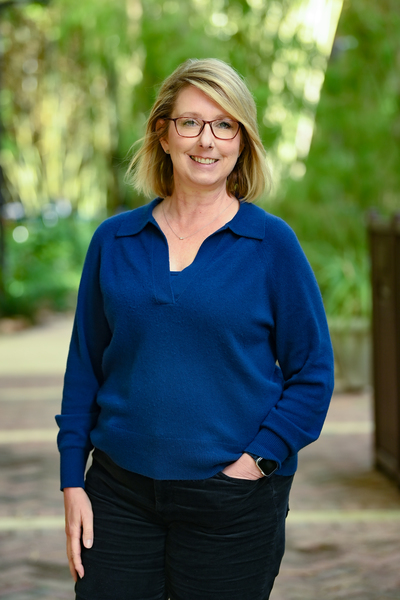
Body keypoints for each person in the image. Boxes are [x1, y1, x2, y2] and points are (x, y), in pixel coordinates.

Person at [56, 58, 334, 600]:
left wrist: (254, 464)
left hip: (231, 502)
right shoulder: (114, 242)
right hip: (118, 493)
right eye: (190, 123)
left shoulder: (271, 246)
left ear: (241, 141)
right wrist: (72, 478)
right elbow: (84, 368)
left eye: (224, 124)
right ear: (163, 133)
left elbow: (313, 374)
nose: (206, 140)